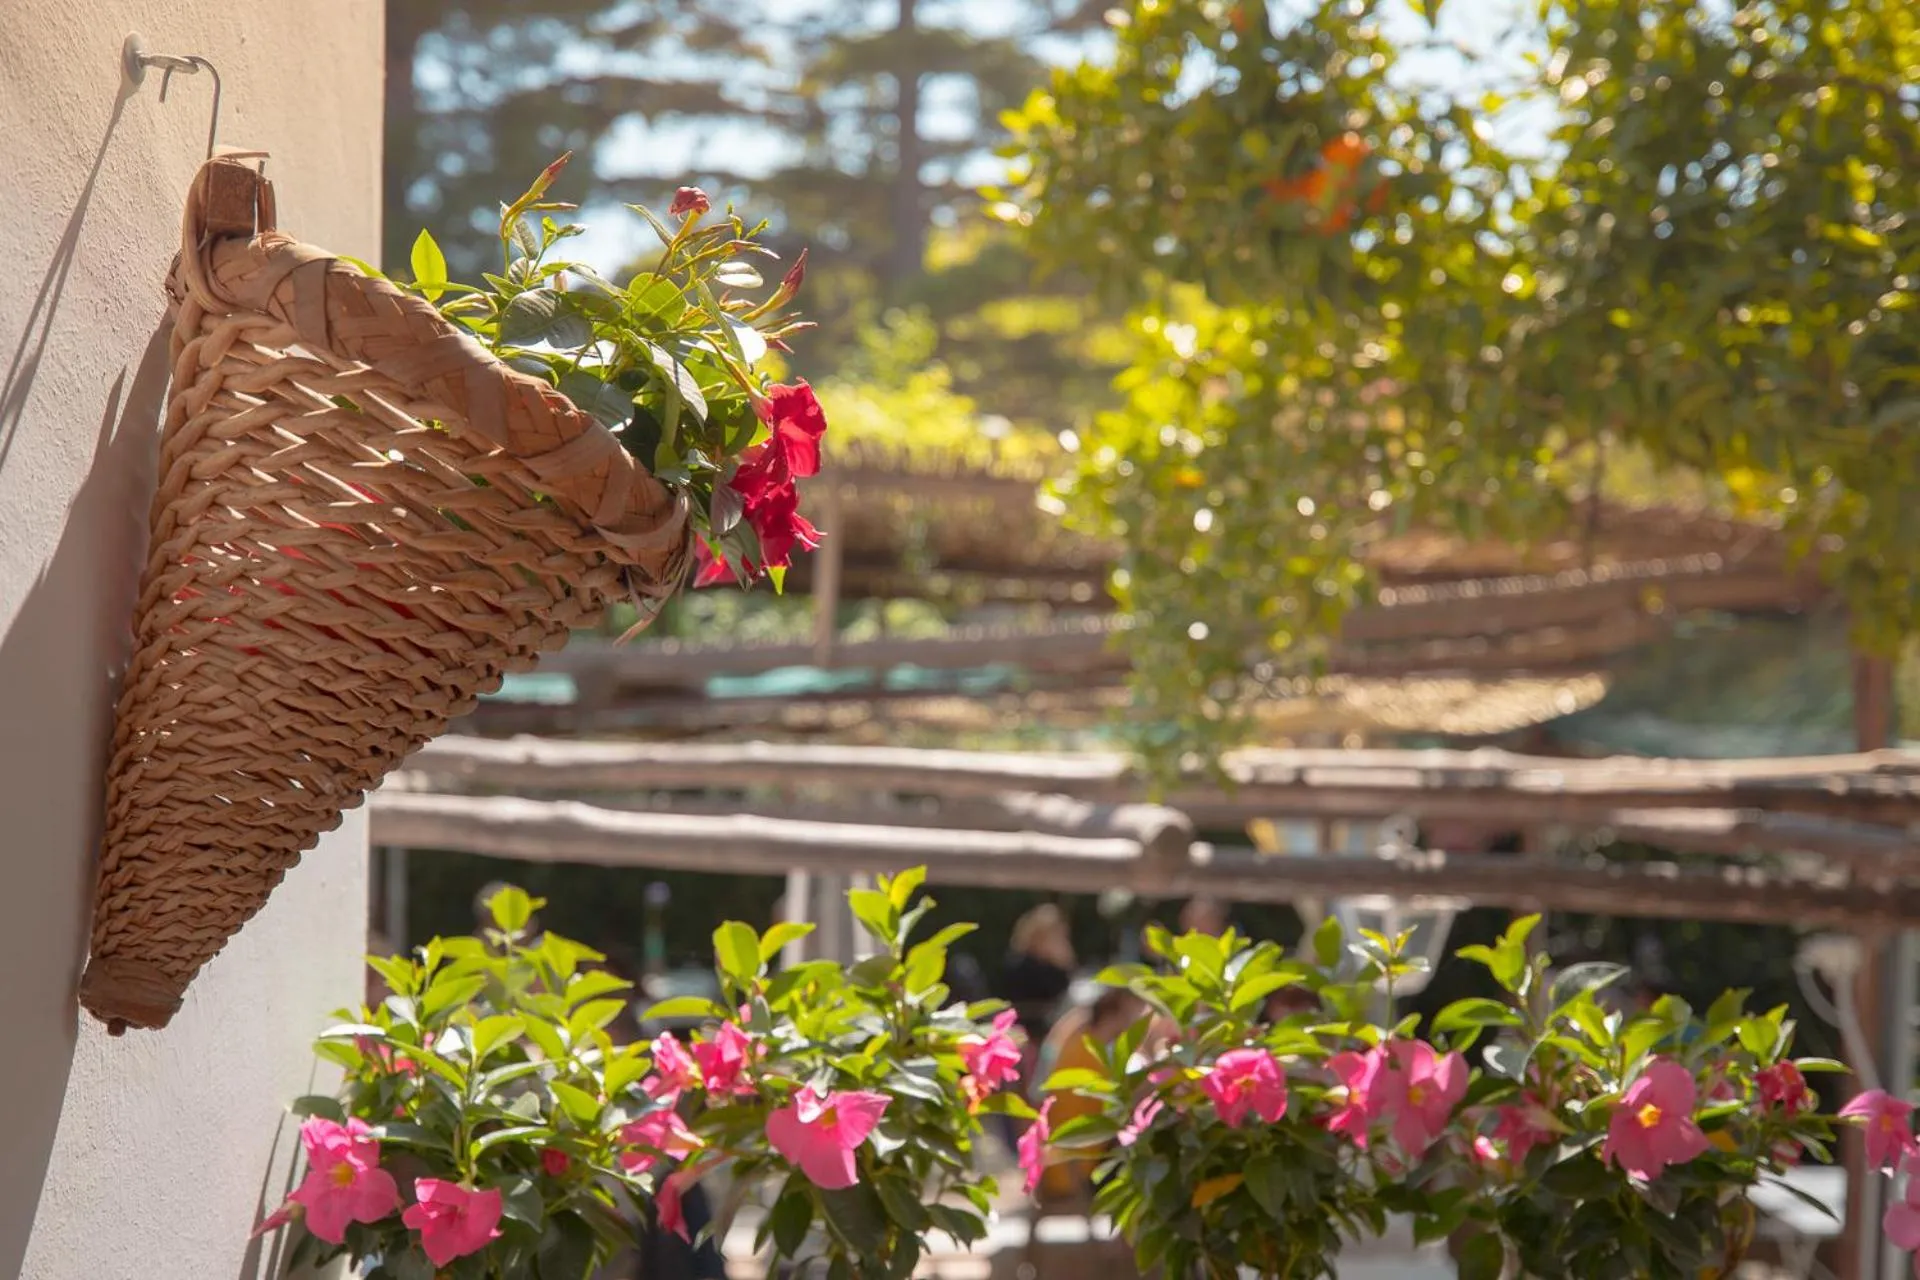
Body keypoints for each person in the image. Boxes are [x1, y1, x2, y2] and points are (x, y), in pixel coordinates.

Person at [1031, 988, 1146, 1201]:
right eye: (1137, 1011)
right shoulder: (1094, 1052)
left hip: (1063, 1162)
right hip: (1079, 1169)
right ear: (1118, 1010)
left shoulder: (1077, 1034)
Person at [1001, 904, 1076, 1047]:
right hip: (1030, 1029)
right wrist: (1061, 964)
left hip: (1052, 1023)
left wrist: (1065, 964)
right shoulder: (1020, 963)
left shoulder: (1051, 965)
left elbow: (1067, 992)